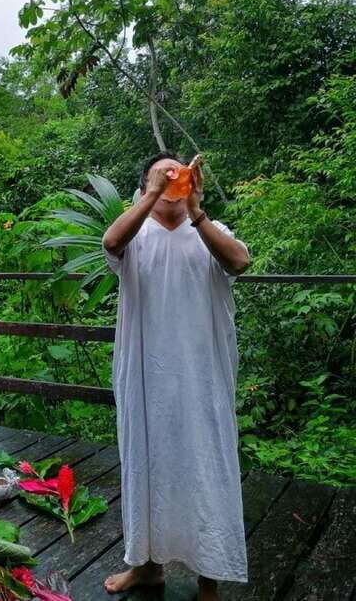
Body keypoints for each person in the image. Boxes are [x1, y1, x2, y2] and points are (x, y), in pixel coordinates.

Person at [101, 154, 251, 600]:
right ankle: (146, 568)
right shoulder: (136, 232)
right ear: (144, 181)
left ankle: (209, 575)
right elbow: (111, 241)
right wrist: (152, 194)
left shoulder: (209, 229)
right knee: (145, 461)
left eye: (180, 171)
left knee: (205, 463)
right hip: (145, 373)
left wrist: (196, 208)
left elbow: (239, 262)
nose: (172, 176)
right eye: (161, 171)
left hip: (200, 373)